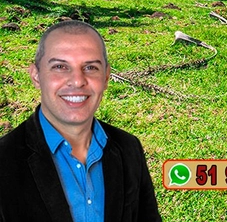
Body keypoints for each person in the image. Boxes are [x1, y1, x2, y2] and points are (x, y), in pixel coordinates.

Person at [0, 20, 162, 222]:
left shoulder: (129, 148)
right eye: (60, 66)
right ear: (36, 76)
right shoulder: (4, 160)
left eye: (91, 67)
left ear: (106, 77)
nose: (77, 81)